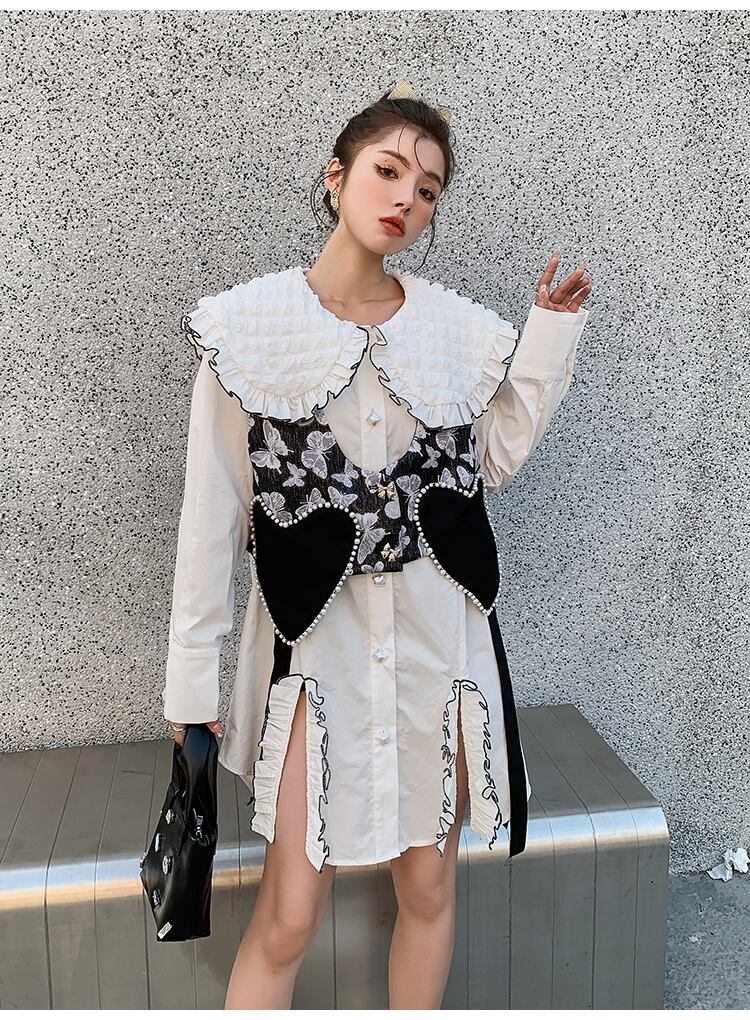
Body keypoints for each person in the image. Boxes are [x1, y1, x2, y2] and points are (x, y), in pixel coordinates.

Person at [162, 80, 592, 1009]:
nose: (406, 199)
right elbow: (212, 522)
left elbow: (489, 461)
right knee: (289, 912)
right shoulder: (248, 330)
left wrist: (548, 342)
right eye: (388, 171)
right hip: (313, 655)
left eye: (428, 189)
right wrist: (191, 690)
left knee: (430, 891)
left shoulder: (455, 332)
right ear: (337, 174)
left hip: (439, 648)